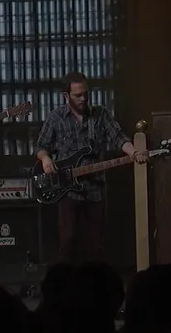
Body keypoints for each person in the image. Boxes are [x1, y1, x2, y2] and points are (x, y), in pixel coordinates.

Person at [36, 71, 148, 263]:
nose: (83, 99)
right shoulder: (56, 118)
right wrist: (45, 159)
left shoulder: (100, 114)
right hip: (67, 191)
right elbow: (40, 147)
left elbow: (118, 137)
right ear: (66, 96)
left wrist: (134, 153)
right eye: (78, 95)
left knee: (95, 245)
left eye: (86, 94)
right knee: (68, 241)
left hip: (95, 189)